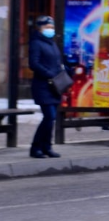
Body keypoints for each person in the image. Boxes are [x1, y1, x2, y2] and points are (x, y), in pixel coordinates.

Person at [28, 15, 65, 158]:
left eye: (52, 27)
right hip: (43, 85)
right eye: (47, 27)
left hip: (55, 86)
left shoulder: (52, 43)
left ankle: (46, 147)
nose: (50, 29)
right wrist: (49, 73)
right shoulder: (36, 43)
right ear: (40, 28)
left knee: (52, 117)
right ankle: (35, 148)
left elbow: (57, 61)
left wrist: (63, 71)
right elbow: (34, 63)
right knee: (49, 116)